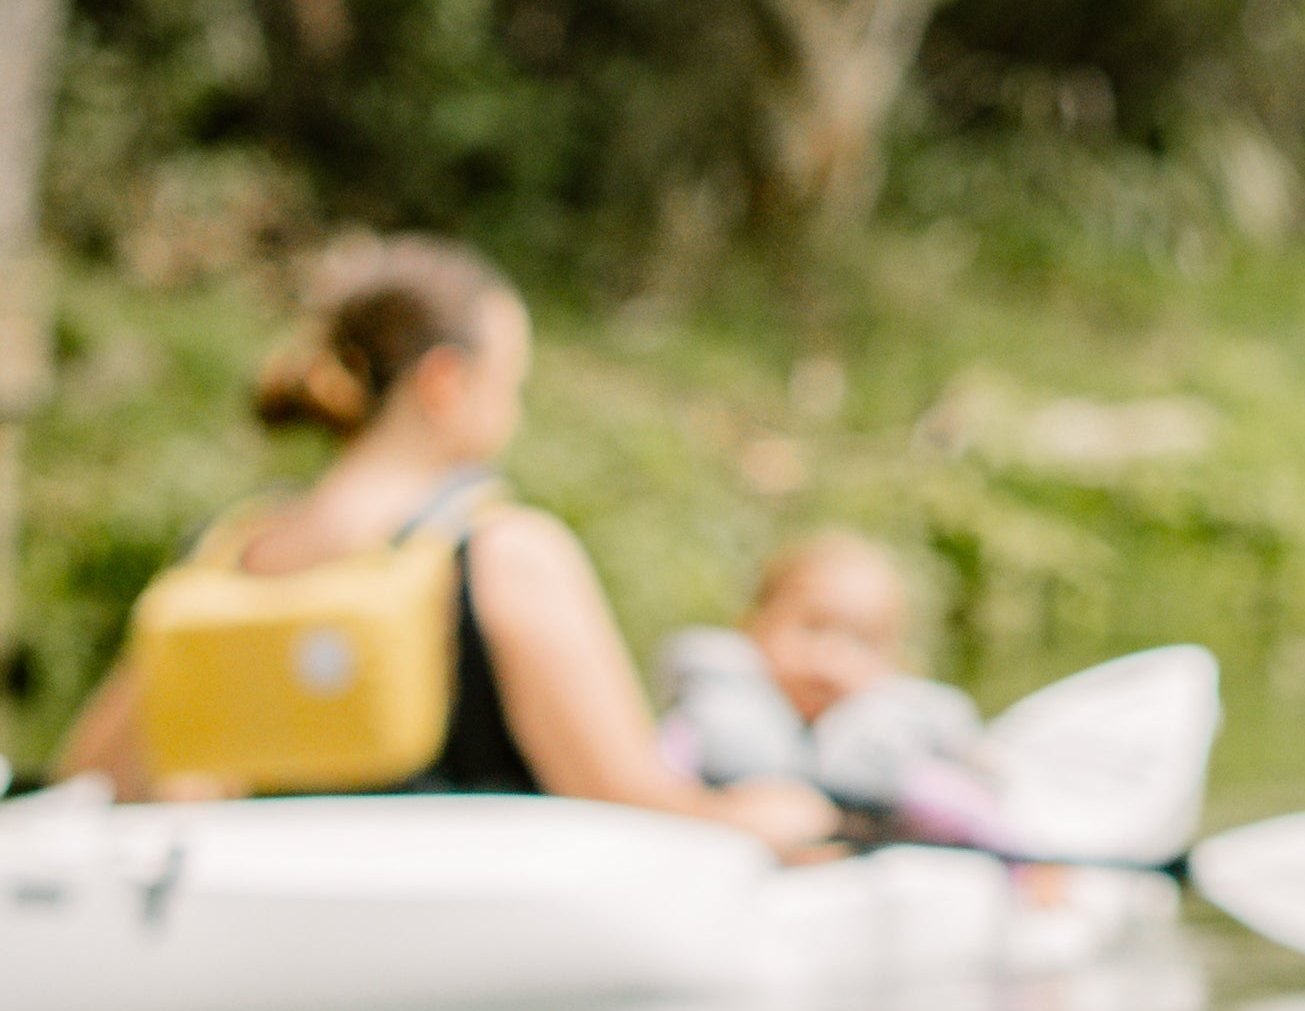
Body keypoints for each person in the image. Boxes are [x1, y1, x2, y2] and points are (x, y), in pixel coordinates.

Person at [46, 236, 836, 850]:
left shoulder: (226, 555)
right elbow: (628, 799)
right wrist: (766, 817)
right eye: (512, 386)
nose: (516, 418)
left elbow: (90, 781)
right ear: (445, 382)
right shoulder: (507, 553)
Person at [658, 533, 1009, 848]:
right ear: (755, 623)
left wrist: (1026, 867)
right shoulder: (713, 715)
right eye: (813, 627)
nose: (830, 659)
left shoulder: (894, 747)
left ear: (892, 662)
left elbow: (976, 814)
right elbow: (649, 786)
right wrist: (720, 811)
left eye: (862, 641)